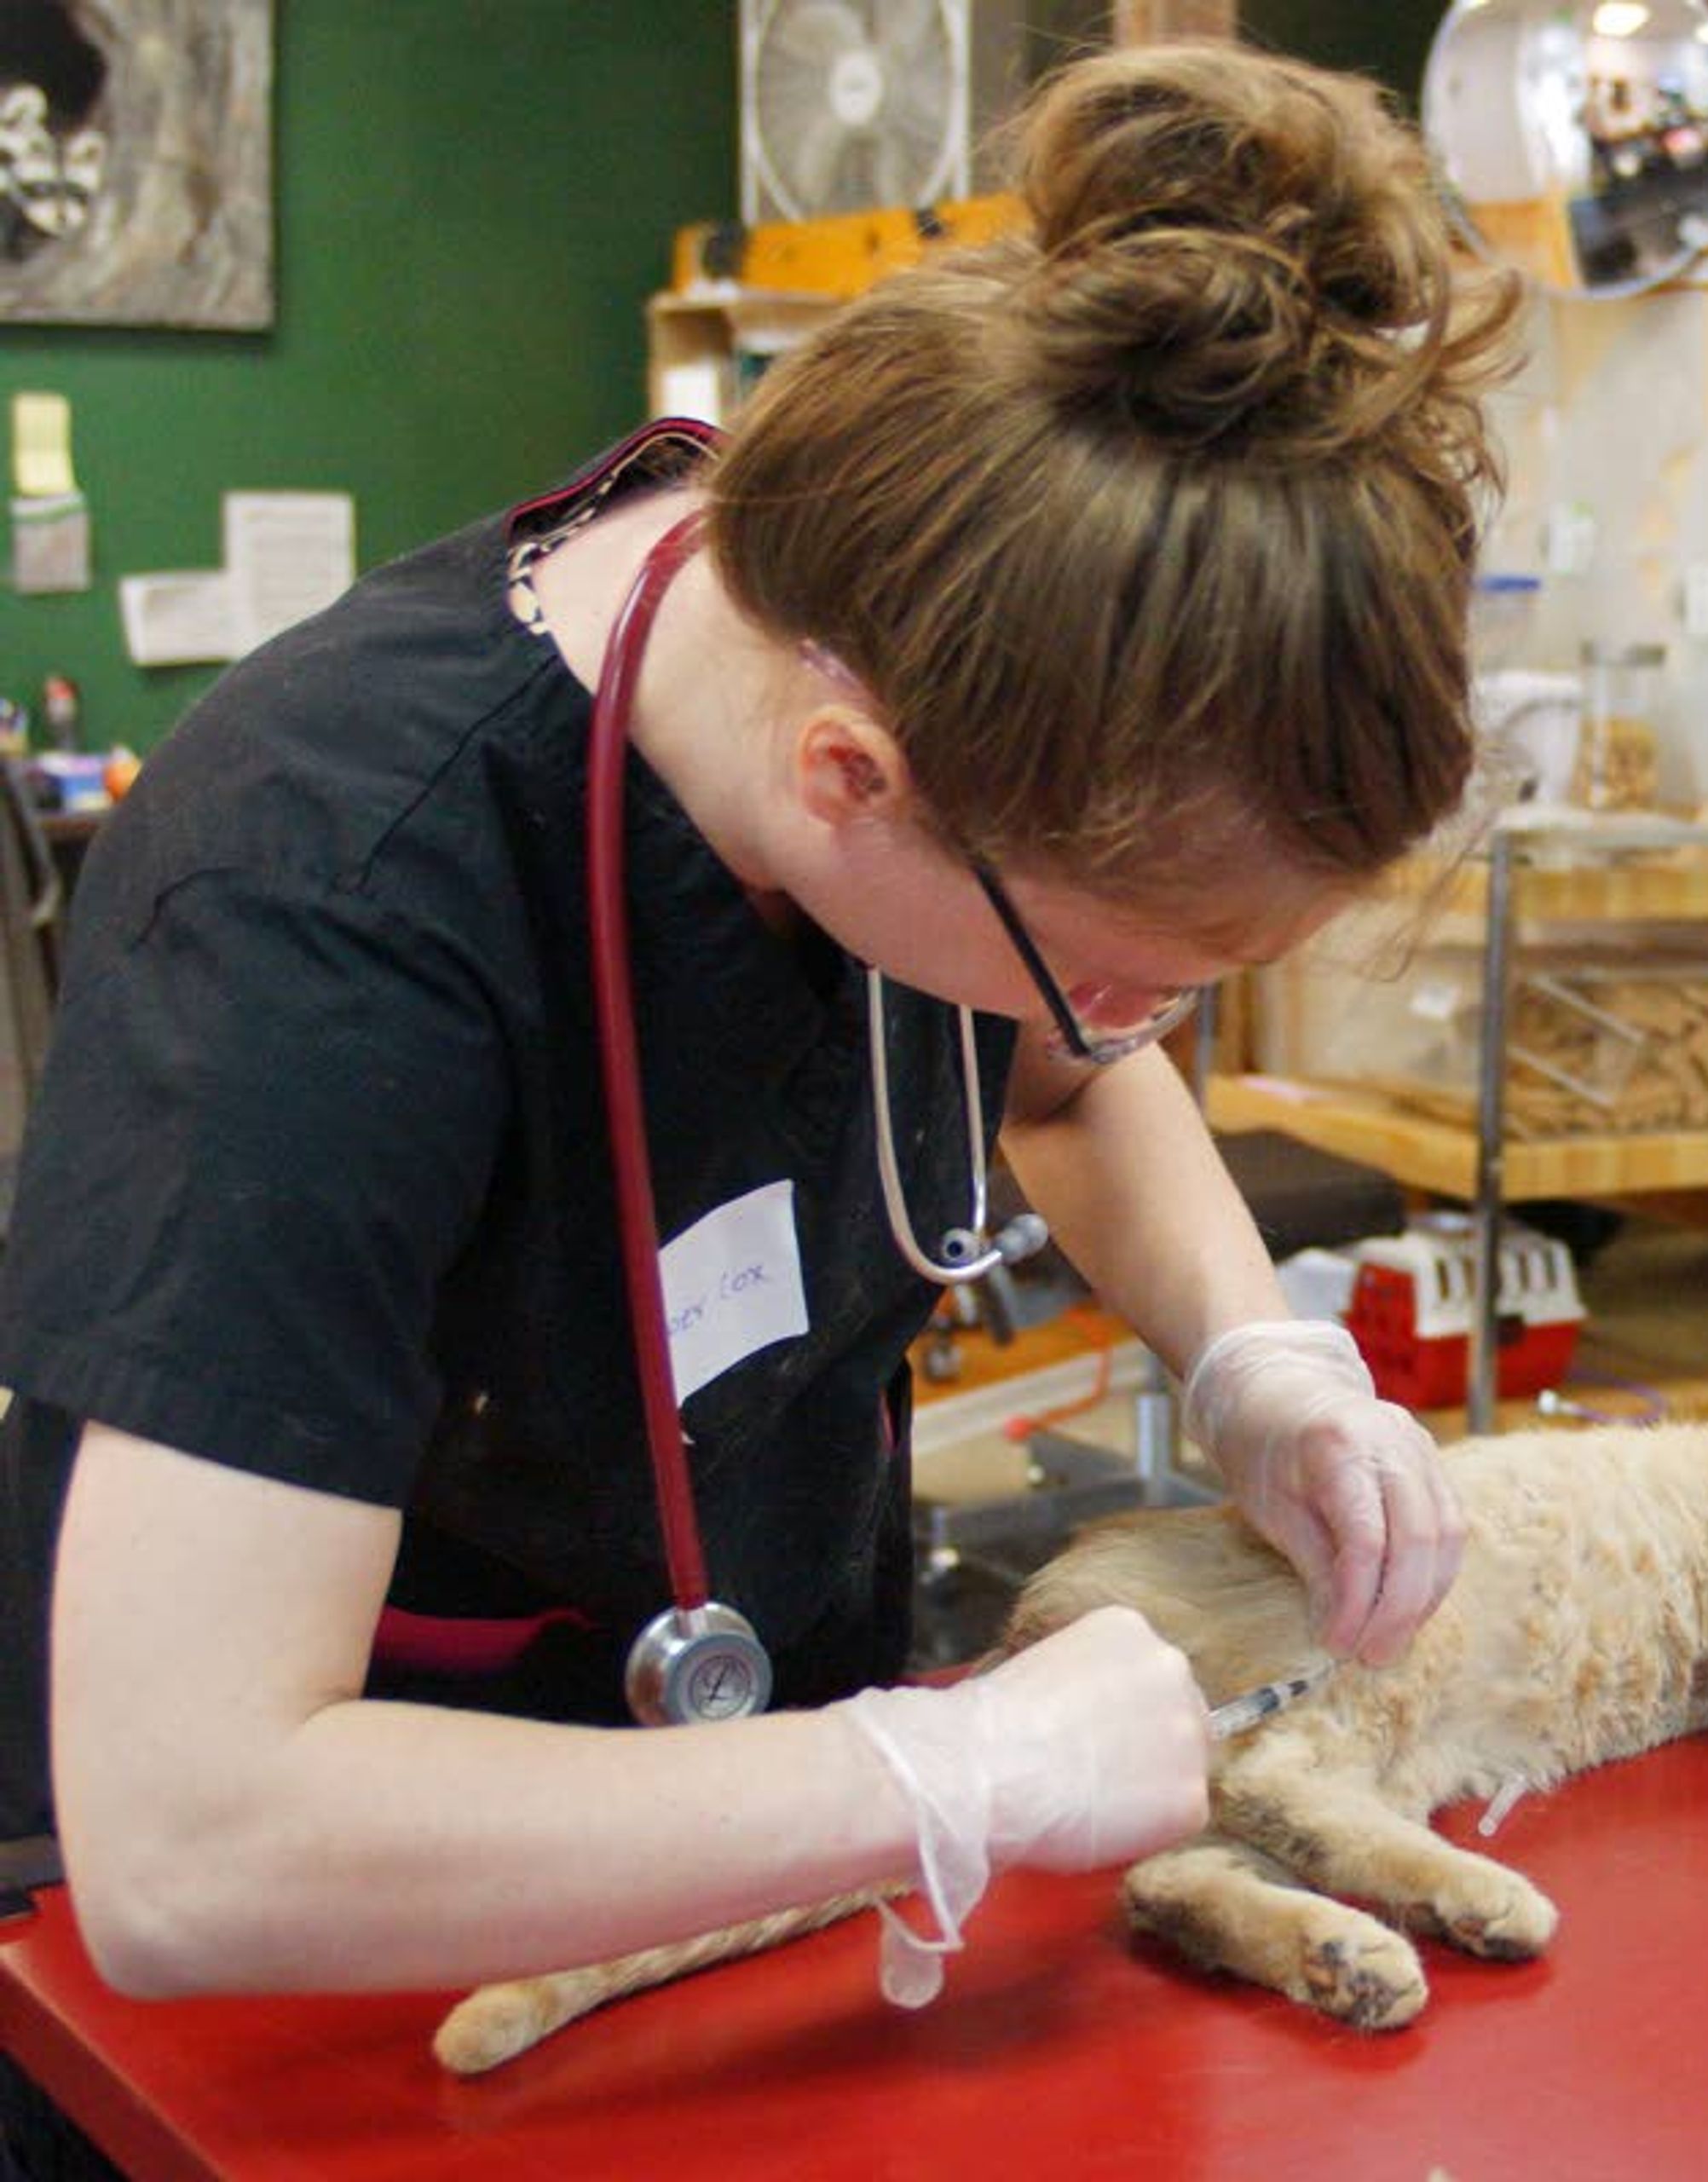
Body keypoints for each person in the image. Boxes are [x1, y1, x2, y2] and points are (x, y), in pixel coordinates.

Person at [0, 36, 1515, 2079]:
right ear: (849, 776)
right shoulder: (319, 906)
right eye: (1131, 977)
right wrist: (933, 1773)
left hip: (776, 1859)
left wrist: (1254, 1358)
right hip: (343, 1966)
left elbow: (1058, 1072)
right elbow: (193, 1837)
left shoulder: (925, 614)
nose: (1132, 1034)